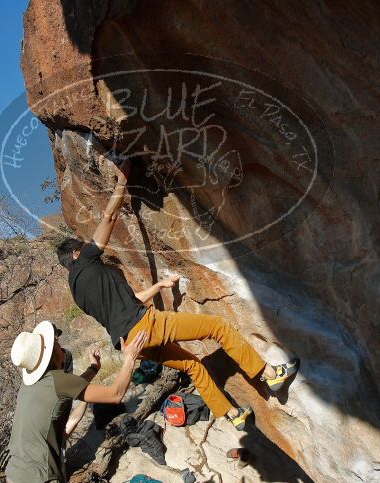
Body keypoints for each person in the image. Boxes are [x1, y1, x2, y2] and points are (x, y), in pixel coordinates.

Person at [56, 157, 300, 431]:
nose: (88, 245)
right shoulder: (86, 259)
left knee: (192, 366)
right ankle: (269, 374)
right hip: (147, 327)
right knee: (218, 328)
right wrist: (123, 181)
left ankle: (233, 415)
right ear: (76, 254)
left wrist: (160, 287)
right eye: (83, 246)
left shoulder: (77, 292)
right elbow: (109, 217)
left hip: (131, 345)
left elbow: (126, 304)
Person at [5, 320, 147, 483]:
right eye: (57, 344)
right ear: (52, 354)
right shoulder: (57, 381)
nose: (61, 346)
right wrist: (130, 359)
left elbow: (69, 390)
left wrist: (93, 369)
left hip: (14, 481)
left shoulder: (31, 385)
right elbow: (115, 394)